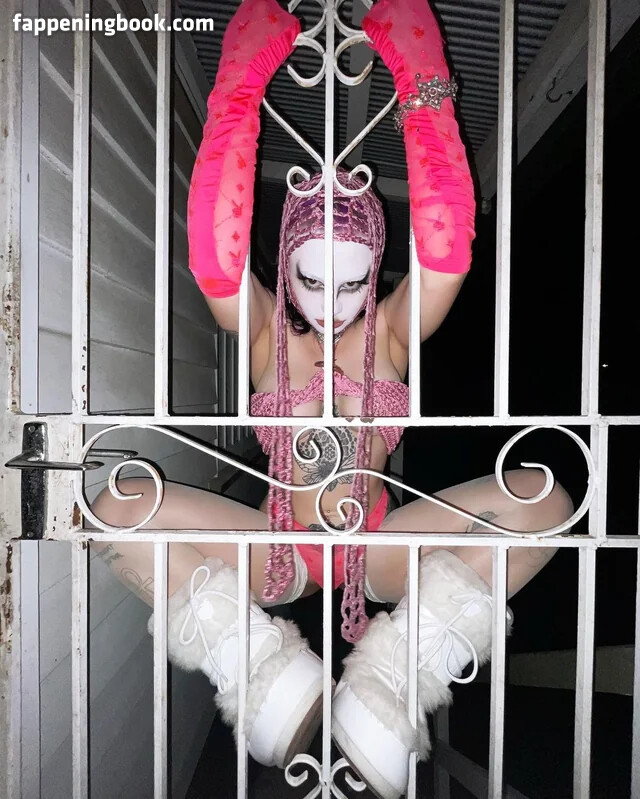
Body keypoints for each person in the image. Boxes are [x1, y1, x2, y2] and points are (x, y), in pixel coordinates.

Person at [90, 0, 574, 796]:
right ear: (286, 268)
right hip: (275, 542)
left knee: (547, 502)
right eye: (312, 279)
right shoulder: (263, 335)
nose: (332, 300)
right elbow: (215, 256)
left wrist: (420, 77)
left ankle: (391, 673)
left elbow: (446, 251)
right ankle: (256, 664)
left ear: (374, 271)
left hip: (376, 544)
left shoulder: (391, 334)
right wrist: (239, 88)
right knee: (115, 507)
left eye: (352, 282)